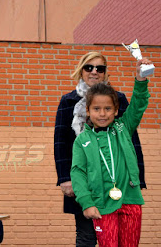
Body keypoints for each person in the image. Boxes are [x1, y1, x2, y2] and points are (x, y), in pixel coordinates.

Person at [53, 52, 146, 246]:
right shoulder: (73, 114)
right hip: (91, 189)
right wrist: (67, 181)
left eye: (100, 68)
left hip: (125, 192)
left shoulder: (121, 122)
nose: (102, 113)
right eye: (89, 67)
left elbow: (136, 113)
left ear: (115, 109)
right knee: (87, 237)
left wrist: (140, 80)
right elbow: (61, 144)